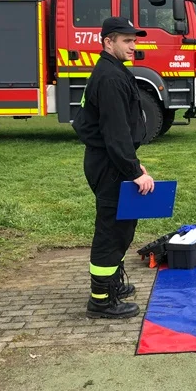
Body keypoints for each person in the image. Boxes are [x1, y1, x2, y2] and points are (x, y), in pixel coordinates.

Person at [73, 17, 155, 319]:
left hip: (112, 160)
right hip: (109, 165)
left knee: (122, 229)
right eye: (126, 41)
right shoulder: (109, 77)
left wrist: (133, 162)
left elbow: (116, 133)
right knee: (111, 232)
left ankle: (111, 285)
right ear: (108, 42)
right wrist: (135, 172)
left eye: (134, 40)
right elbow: (115, 132)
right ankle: (101, 300)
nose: (133, 46)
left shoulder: (112, 71)